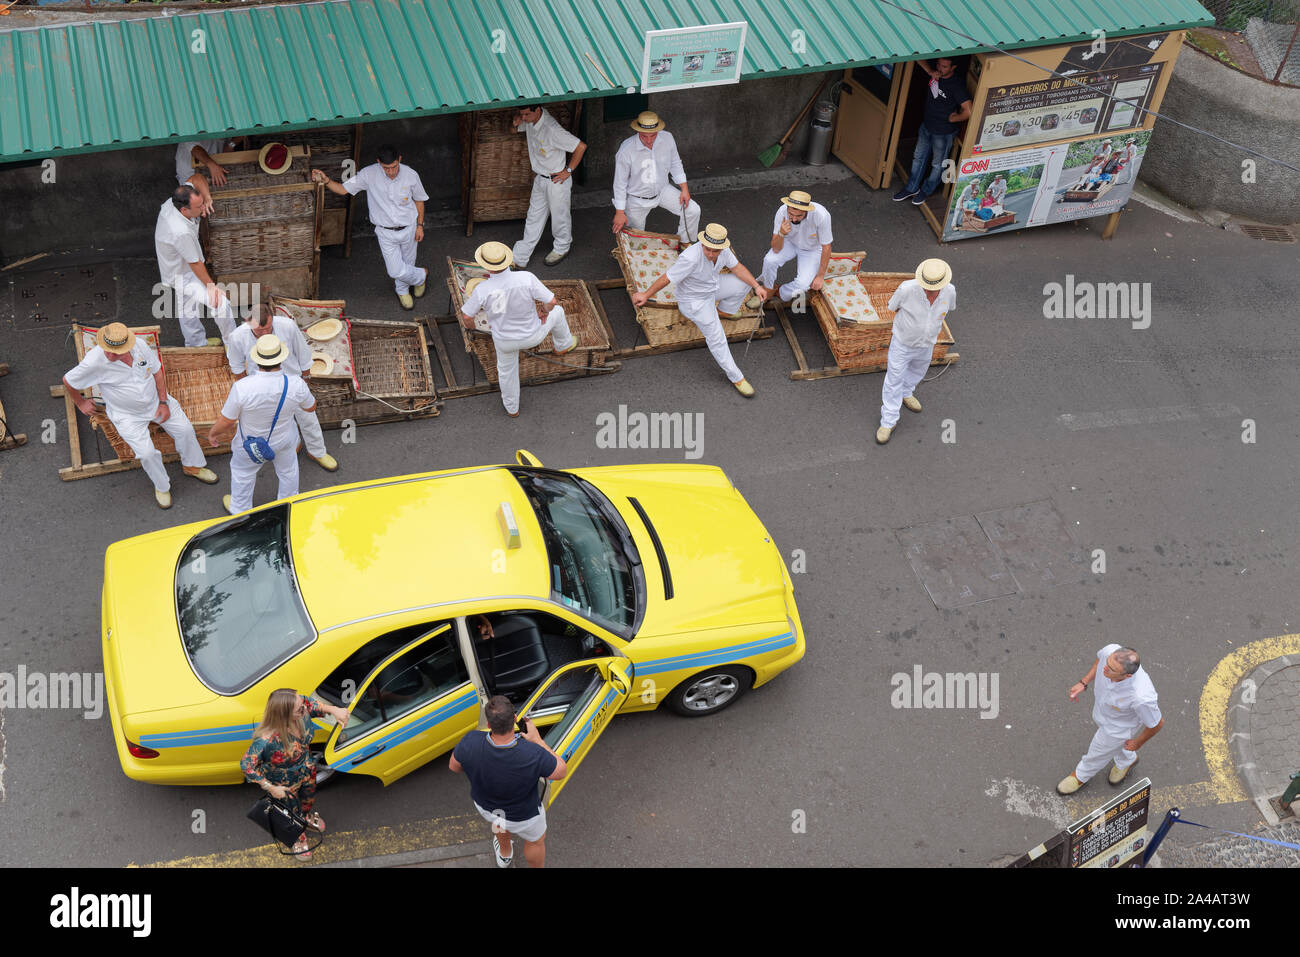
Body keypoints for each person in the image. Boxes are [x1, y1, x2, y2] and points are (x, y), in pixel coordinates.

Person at [63, 322, 218, 509]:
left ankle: (192, 466)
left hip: (156, 403)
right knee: (146, 453)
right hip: (127, 415)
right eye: (107, 350)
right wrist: (81, 403)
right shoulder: (94, 361)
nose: (109, 355)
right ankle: (162, 486)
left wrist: (162, 402)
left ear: (126, 347)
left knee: (185, 430)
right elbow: (68, 380)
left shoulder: (140, 346)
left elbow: (157, 373)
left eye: (115, 351)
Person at [633, 223, 765, 398]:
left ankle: (724, 311)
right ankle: (737, 377)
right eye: (707, 249)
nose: (710, 254)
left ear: (722, 247)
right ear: (702, 243)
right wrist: (646, 294)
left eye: (715, 251)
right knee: (717, 338)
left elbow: (738, 268)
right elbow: (667, 278)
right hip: (694, 301)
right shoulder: (690, 258)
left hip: (711, 288)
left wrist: (756, 286)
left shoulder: (724, 251)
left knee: (743, 283)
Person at [458, 241, 577, 418]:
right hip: (532, 335)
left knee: (507, 373)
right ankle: (562, 345)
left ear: (485, 266)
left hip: (504, 341)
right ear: (507, 261)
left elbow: (467, 317)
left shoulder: (482, 289)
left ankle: (512, 408)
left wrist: (474, 328)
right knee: (558, 312)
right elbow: (552, 302)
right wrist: (543, 311)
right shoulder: (526, 278)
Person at [449, 694, 567, 868]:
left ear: (489, 724)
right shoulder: (532, 753)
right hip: (525, 816)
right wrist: (537, 740)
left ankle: (504, 854)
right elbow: (560, 771)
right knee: (536, 842)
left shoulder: (470, 741)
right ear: (514, 719)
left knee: (498, 821)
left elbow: (454, 767)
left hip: (487, 806)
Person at [207, 334, 318, 514]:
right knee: (288, 472)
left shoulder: (242, 387)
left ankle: (240, 510)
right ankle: (288, 505)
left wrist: (213, 434)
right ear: (282, 359)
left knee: (243, 474)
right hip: (285, 439)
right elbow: (311, 407)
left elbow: (227, 421)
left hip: (250, 443)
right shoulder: (296, 384)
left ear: (256, 359)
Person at [225, 303, 337, 473]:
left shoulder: (288, 326)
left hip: (293, 380)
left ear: (273, 319)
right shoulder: (236, 337)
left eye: (268, 329)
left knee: (308, 417)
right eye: (259, 331)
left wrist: (305, 379)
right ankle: (294, 444)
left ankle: (317, 452)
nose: (264, 334)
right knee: (280, 421)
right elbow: (237, 367)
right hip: (262, 388)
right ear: (247, 322)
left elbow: (303, 354)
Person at [313, 144, 428, 309]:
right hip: (384, 231)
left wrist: (419, 226)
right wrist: (326, 180)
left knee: (408, 263)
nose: (391, 171)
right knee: (395, 270)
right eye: (386, 168)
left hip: (409, 226)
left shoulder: (411, 174)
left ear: (400, 160)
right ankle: (421, 276)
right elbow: (343, 190)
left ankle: (402, 290)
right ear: (378, 163)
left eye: (394, 167)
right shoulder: (368, 174)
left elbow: (419, 200)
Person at [241, 688, 349, 860]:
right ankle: (297, 837)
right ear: (284, 714)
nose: (304, 709)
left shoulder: (300, 709)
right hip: (283, 782)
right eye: (299, 709)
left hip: (307, 769)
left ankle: (305, 817)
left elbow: (311, 704)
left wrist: (334, 710)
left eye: (302, 705)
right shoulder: (266, 739)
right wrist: (270, 787)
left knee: (308, 801)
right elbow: (247, 765)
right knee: (289, 812)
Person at [1057, 645, 1164, 795]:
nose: (1105, 669)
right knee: (1115, 747)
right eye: (1107, 662)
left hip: (1118, 729)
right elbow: (1099, 662)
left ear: (1127, 676)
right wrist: (1083, 682)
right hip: (1103, 712)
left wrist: (1137, 743)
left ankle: (1080, 776)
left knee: (1097, 752)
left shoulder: (1141, 697)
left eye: (1111, 669)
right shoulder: (1111, 651)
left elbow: (1157, 723)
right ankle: (1127, 760)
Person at [876, 259, 954, 445]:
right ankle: (888, 421)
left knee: (918, 371)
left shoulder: (950, 291)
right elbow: (892, 307)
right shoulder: (906, 289)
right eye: (927, 287)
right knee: (894, 379)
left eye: (934, 288)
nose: (930, 292)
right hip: (902, 343)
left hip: (927, 343)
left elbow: (948, 310)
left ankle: (907, 393)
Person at [155, 184, 236, 347]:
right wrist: (211, 287)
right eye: (199, 206)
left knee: (186, 307)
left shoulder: (172, 202)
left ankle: (196, 344)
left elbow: (196, 178)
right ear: (184, 210)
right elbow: (195, 264)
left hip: (175, 265)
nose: (203, 207)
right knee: (220, 303)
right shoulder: (180, 232)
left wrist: (207, 197)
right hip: (183, 273)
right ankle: (234, 345)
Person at [510, 105, 587, 268]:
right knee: (533, 216)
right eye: (522, 114)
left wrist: (568, 171)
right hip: (541, 177)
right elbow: (514, 130)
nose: (524, 117)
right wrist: (515, 123)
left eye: (526, 114)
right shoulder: (531, 121)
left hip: (557, 180)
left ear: (537, 110)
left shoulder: (552, 129)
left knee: (560, 218)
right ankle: (520, 257)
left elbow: (581, 146)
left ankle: (562, 247)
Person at [891, 58, 973, 206]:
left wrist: (955, 119)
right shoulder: (935, 74)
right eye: (938, 64)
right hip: (927, 125)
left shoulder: (956, 85)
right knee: (918, 157)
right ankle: (912, 188)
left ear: (953, 67)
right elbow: (916, 56)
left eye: (944, 66)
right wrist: (930, 71)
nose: (940, 68)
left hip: (943, 132)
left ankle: (926, 190)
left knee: (938, 164)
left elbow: (969, 111)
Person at [611, 111, 700, 243]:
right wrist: (619, 212)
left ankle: (684, 243)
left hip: (662, 190)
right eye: (644, 136)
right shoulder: (626, 150)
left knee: (693, 210)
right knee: (636, 241)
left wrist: (684, 188)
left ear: (658, 130)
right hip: (637, 199)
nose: (649, 140)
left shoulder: (668, 138)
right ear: (637, 131)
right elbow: (619, 183)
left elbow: (675, 163)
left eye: (653, 135)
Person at [759, 189, 833, 304]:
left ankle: (779, 292)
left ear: (806, 210)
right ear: (787, 207)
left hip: (812, 249)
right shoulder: (781, 211)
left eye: (799, 216)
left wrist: (820, 276)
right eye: (791, 214)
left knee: (803, 285)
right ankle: (768, 289)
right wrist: (781, 233)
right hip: (790, 242)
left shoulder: (822, 215)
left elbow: (826, 247)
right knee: (769, 260)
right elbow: (776, 248)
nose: (793, 219)